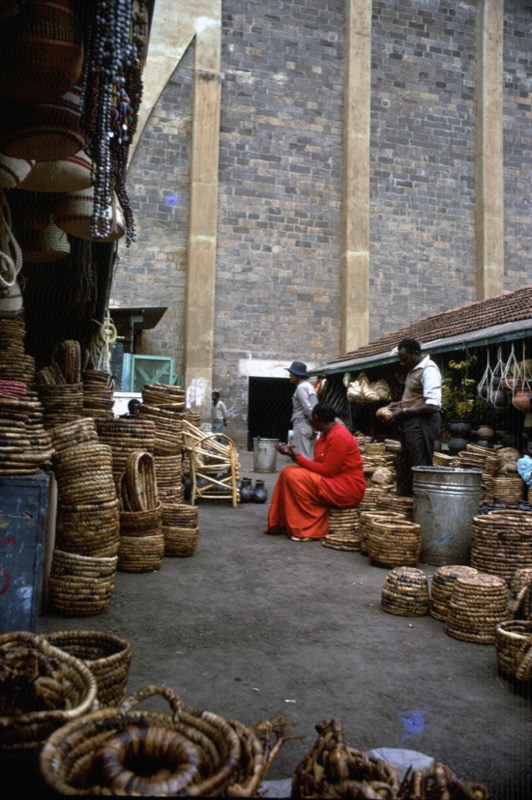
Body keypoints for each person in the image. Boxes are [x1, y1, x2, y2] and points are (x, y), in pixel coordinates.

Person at [265, 401, 366, 541]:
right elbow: (320, 467)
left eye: (311, 418)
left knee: (293, 475)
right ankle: (282, 522)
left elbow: (327, 471)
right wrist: (294, 456)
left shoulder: (339, 436)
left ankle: (308, 529)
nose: (310, 421)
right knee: (287, 472)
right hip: (334, 482)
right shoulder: (325, 435)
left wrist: (297, 458)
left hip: (347, 488)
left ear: (318, 419)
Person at [382, 338, 442, 497]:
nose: (403, 363)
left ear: (416, 354)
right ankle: (405, 502)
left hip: (423, 423)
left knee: (419, 464)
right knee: (404, 463)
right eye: (401, 359)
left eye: (405, 359)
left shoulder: (429, 370)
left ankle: (421, 503)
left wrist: (404, 411)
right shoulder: (413, 369)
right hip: (411, 423)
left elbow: (432, 405)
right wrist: (399, 404)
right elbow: (415, 398)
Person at [287, 360, 318, 459]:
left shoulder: (301, 388)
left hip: (303, 423)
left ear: (297, 375)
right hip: (310, 425)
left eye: (291, 374)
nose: (289, 376)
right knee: (310, 455)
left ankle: (305, 475)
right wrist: (315, 425)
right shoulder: (309, 386)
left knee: (302, 457)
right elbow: (314, 407)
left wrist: (313, 424)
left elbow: (307, 408)